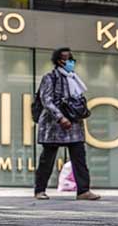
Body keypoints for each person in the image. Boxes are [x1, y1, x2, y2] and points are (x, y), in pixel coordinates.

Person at [33, 47, 100, 201]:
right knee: (47, 160)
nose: (71, 62)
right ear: (58, 61)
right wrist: (60, 117)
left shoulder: (74, 78)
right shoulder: (50, 78)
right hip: (53, 126)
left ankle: (83, 190)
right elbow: (46, 101)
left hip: (73, 125)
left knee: (79, 157)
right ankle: (39, 190)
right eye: (67, 59)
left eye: (72, 59)